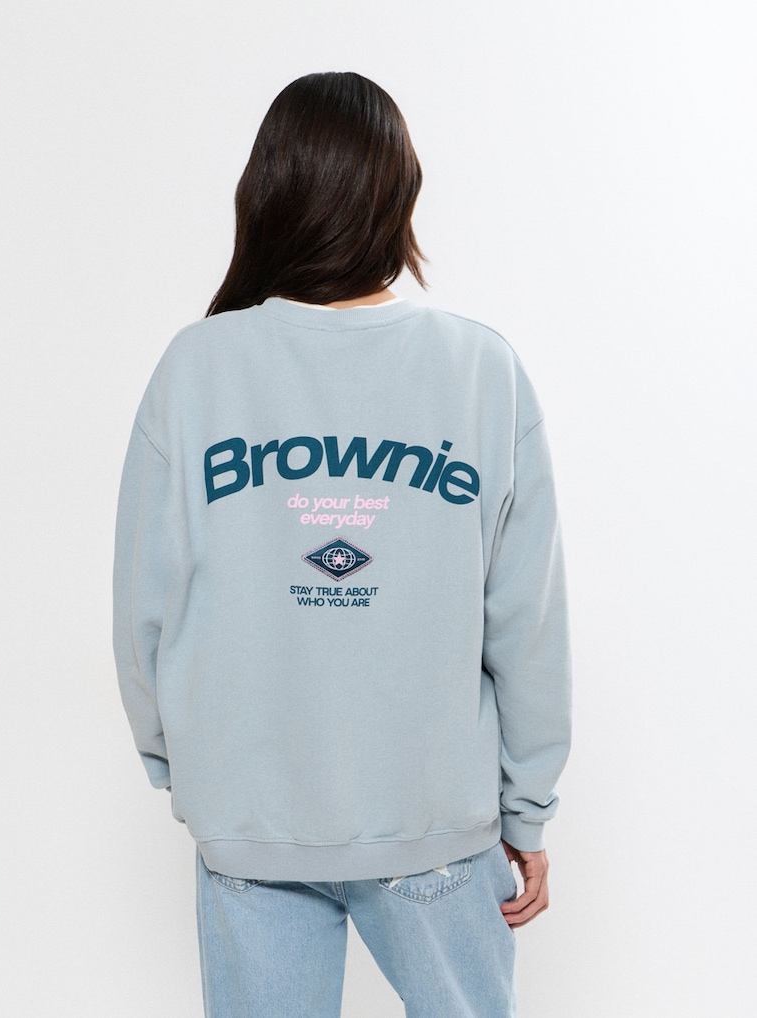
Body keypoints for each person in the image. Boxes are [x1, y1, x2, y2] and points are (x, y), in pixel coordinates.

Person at [113, 71, 572, 1018]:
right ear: (399, 194)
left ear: (266, 191)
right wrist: (526, 808)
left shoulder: (197, 368)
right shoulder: (480, 370)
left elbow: (143, 605)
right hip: (431, 818)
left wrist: (182, 763)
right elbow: (526, 620)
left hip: (252, 816)